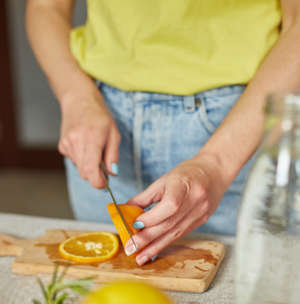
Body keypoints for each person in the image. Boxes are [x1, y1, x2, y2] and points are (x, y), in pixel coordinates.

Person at [26, 1, 300, 266]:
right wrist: (76, 97)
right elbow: (45, 7)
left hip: (240, 126)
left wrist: (217, 163)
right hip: (100, 122)